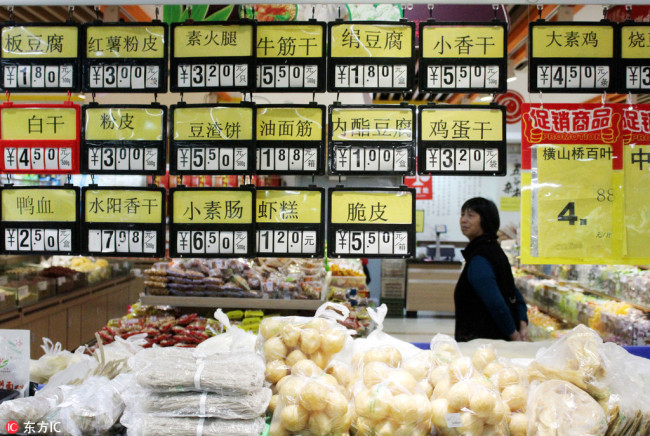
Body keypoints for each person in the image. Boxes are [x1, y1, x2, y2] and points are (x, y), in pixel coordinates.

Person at [454, 197, 528, 342]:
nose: (463, 220)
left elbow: (495, 303)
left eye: (470, 215)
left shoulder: (480, 258)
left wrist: (514, 335)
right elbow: (513, 292)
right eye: (462, 214)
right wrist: (522, 320)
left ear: (485, 220)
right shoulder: (494, 249)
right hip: (495, 340)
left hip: (484, 343)